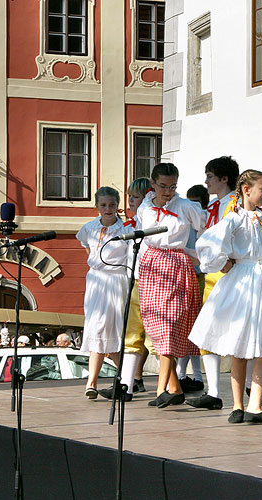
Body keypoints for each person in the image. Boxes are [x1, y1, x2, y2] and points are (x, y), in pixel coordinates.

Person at [189, 170, 262, 424]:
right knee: (240, 344)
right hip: (243, 280)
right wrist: (221, 263)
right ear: (247, 190)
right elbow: (209, 243)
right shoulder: (233, 219)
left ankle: (255, 405)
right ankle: (237, 404)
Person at [136, 163, 206, 408]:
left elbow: (206, 230)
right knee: (155, 328)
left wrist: (195, 254)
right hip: (150, 264)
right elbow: (141, 238)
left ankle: (161, 389)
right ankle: (174, 388)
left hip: (176, 264)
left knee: (169, 326)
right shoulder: (145, 207)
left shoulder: (187, 206)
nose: (168, 191)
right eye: (163, 186)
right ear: (153, 184)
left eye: (173, 186)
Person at [186, 157, 240, 410]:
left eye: (210, 176)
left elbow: (232, 237)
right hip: (213, 273)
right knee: (207, 331)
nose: (206, 181)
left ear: (224, 178)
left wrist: (226, 261)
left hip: (230, 273)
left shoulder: (235, 206)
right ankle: (214, 391)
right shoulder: (213, 208)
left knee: (238, 332)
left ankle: (247, 388)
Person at [97, 177, 155, 402]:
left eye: (136, 196)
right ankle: (128, 383)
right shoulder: (129, 224)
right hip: (131, 279)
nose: (131, 200)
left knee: (151, 335)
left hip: (148, 280)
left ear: (148, 197)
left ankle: (172, 383)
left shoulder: (148, 222)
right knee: (131, 335)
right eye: (129, 196)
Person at [76, 186, 129, 399]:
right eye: (104, 205)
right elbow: (85, 245)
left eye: (112, 205)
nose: (108, 209)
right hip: (96, 280)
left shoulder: (125, 229)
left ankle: (128, 377)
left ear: (118, 206)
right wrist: (96, 263)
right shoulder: (89, 228)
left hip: (116, 280)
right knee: (96, 327)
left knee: (114, 329)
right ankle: (93, 382)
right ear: (96, 206)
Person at [174, 184, 209, 394]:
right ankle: (181, 374)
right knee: (184, 327)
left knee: (195, 329)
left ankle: (196, 375)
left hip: (199, 275)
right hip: (183, 275)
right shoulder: (182, 221)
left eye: (196, 203)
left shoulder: (203, 223)